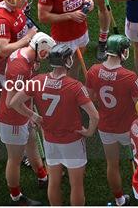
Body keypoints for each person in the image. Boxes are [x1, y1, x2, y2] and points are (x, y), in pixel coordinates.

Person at [10, 44, 99, 206]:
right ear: (67, 61)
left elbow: (14, 102)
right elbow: (94, 115)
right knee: (77, 186)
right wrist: (89, 131)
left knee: (54, 182)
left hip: (50, 140)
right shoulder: (75, 86)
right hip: (72, 141)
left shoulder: (37, 80)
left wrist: (34, 116)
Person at [0, 32, 56, 206]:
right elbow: (11, 103)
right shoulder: (21, 68)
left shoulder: (25, 55)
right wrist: (33, 115)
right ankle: (16, 197)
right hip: (13, 118)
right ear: (42, 51)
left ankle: (42, 176)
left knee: (31, 144)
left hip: (22, 113)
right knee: (14, 160)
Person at [85, 34, 138, 206]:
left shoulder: (93, 71)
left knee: (112, 164)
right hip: (128, 127)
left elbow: (91, 97)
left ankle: (119, 200)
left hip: (106, 127)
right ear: (122, 52)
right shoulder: (130, 76)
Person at [38, 0, 94, 77]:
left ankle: (72, 85)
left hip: (81, 31)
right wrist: (70, 15)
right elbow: (43, 17)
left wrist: (88, 0)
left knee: (76, 64)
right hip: (63, 38)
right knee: (61, 70)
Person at [0, 0, 37, 85]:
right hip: (9, 62)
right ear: (10, 1)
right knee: (12, 90)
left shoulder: (16, 7)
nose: (26, 1)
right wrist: (27, 38)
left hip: (21, 55)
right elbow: (3, 50)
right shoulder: (2, 20)